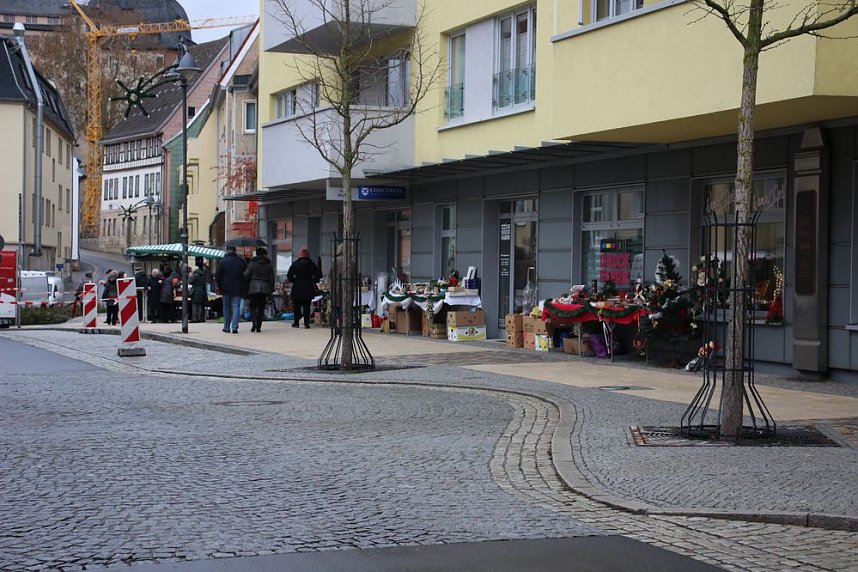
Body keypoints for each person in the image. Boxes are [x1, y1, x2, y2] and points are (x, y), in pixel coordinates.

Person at [286, 246, 321, 329]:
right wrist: (312, 281)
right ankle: (306, 323)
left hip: (297, 287)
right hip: (308, 287)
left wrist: (295, 280)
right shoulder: (312, 264)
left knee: (296, 306)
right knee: (306, 306)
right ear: (308, 255)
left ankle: (296, 322)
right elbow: (317, 276)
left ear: (300, 255)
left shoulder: (295, 264)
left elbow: (289, 275)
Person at [215, 245, 248, 334]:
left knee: (226, 307)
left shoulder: (222, 262)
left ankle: (226, 327)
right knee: (236, 307)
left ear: (227, 251)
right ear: (235, 251)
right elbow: (246, 275)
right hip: (238, 288)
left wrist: (220, 286)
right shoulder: (241, 262)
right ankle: (234, 327)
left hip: (225, 288)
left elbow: (217, 276)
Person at [244, 247, 275, 333]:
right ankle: (259, 326)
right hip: (265, 288)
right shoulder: (269, 265)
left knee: (253, 306)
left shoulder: (252, 264)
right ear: (265, 254)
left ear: (256, 254)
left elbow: (246, 275)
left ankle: (254, 323)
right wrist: (271, 290)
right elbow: (272, 278)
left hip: (253, 288)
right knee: (261, 307)